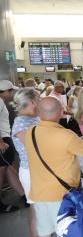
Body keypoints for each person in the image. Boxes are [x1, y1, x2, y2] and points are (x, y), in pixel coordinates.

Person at [25, 97, 83, 237]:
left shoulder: (30, 131)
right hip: (63, 195)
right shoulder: (66, 135)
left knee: (44, 232)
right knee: (69, 231)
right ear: (61, 112)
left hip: (39, 193)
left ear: (38, 112)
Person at [11, 88, 40, 236]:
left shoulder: (34, 117)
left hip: (42, 170)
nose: (41, 101)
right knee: (37, 211)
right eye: (39, 98)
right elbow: (36, 149)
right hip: (32, 172)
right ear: (31, 102)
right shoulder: (21, 125)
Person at [0, 80, 27, 214]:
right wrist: (0, 142)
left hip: (4, 138)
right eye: (10, 91)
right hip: (2, 139)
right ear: (4, 92)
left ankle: (23, 194)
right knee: (2, 171)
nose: (11, 94)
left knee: (8, 168)